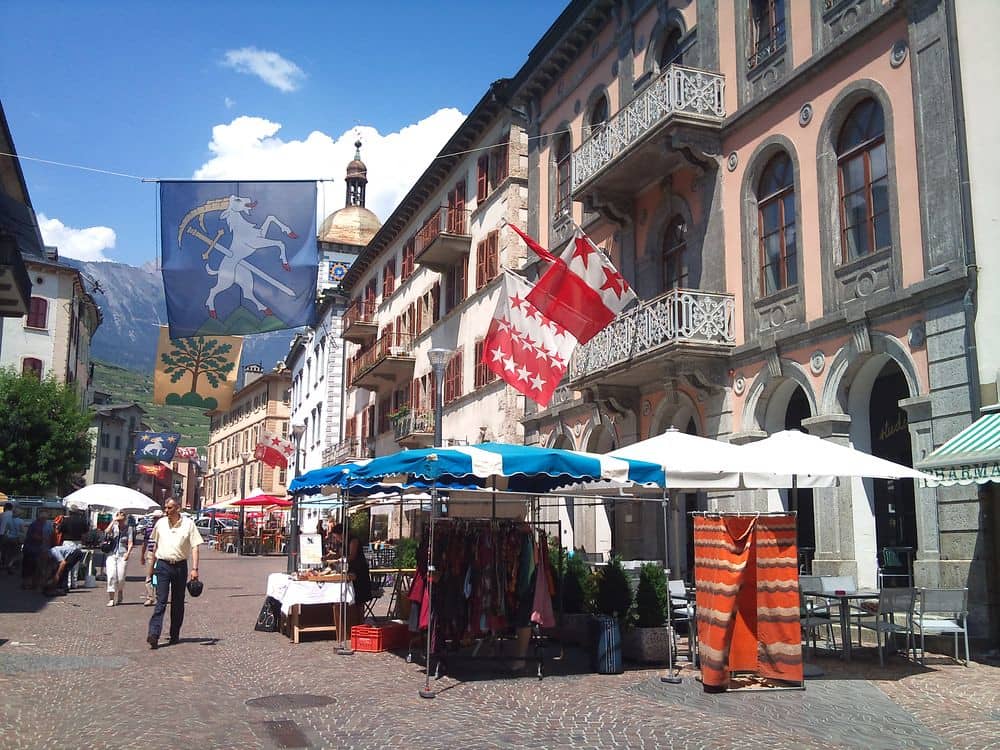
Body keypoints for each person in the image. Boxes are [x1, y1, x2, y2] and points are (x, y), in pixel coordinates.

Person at [146, 499, 203, 649]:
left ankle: (174, 634)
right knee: (161, 600)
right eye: (165, 507)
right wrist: (151, 570)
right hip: (162, 566)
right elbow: (155, 547)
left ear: (177, 508)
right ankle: (154, 634)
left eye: (169, 507)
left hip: (180, 567)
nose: (166, 510)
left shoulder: (189, 524)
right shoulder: (160, 524)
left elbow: (195, 547)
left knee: (178, 602)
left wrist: (195, 569)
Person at [329, 523, 372, 623]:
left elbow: (352, 556)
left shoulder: (353, 540)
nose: (336, 539)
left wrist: (340, 560)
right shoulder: (342, 543)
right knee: (352, 597)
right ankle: (351, 621)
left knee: (359, 599)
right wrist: (329, 558)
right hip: (350, 570)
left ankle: (360, 622)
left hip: (359, 571)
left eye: (337, 536)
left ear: (342, 534)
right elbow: (338, 554)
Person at [103, 511, 134, 606]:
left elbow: (130, 542)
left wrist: (128, 553)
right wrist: (113, 521)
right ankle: (111, 598)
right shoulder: (114, 527)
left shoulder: (129, 528)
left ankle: (120, 590)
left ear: (125, 519)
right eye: (119, 519)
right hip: (111, 553)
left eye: (122, 519)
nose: (120, 521)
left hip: (122, 554)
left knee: (121, 577)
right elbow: (106, 532)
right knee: (111, 575)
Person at [142, 509, 164, 605]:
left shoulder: (165, 529)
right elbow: (145, 542)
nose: (156, 520)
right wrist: (142, 555)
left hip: (162, 554)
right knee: (149, 575)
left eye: (158, 518)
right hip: (151, 553)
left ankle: (160, 596)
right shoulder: (149, 528)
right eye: (155, 518)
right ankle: (150, 597)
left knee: (160, 576)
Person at [0, 502, 20, 574]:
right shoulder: (14, 515)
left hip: (2, 535)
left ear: (5, 508)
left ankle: (3, 563)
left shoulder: (2, 515)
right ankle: (10, 564)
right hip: (13, 536)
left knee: (3, 550)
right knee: (12, 551)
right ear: (11, 508)